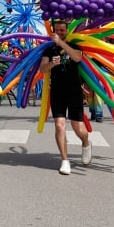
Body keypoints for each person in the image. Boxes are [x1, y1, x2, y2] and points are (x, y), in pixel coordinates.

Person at [39, 20, 91, 175]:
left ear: (66, 31)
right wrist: (52, 65)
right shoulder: (49, 50)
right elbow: (43, 69)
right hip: (57, 92)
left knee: (79, 129)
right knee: (59, 125)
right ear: (53, 31)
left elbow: (77, 58)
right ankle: (65, 160)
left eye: (62, 30)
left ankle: (86, 143)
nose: (60, 32)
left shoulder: (75, 47)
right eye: (57, 30)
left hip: (74, 92)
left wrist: (61, 43)